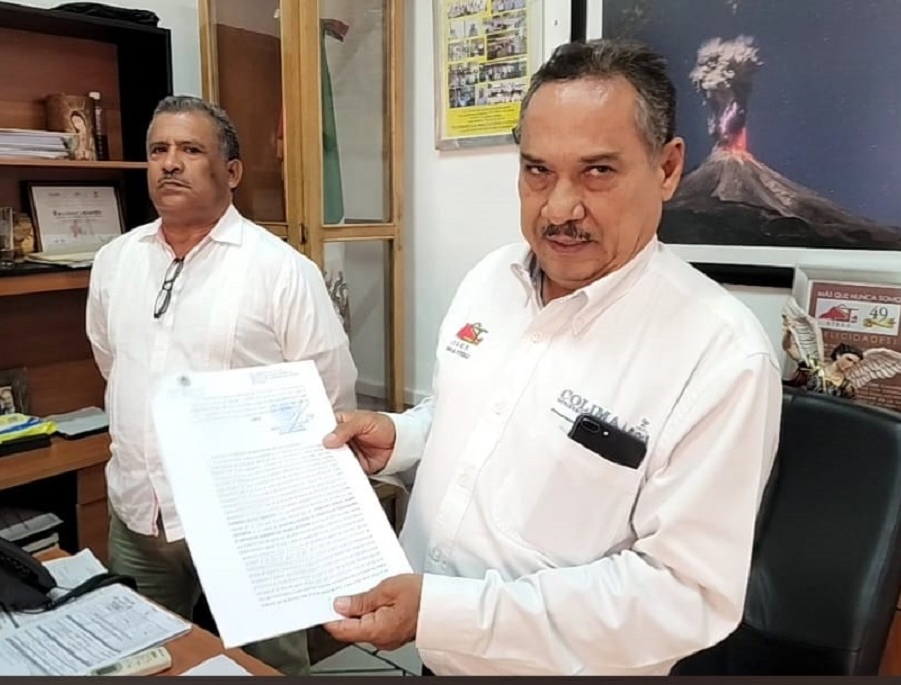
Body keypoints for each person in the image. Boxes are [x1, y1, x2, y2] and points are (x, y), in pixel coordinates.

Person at [321, 38, 782, 676]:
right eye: (538, 170)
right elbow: (479, 415)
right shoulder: (490, 278)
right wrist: (401, 436)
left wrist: (449, 612)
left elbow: (683, 595)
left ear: (668, 168)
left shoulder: (722, 356)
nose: (560, 208)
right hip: (434, 655)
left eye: (598, 171)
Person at [85, 95, 357, 676]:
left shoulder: (280, 270)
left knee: (269, 667)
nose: (169, 163)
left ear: (231, 171)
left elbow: (328, 401)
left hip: (248, 526)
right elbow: (114, 365)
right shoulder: (114, 261)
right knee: (146, 662)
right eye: (158, 150)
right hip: (139, 511)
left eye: (190, 149)